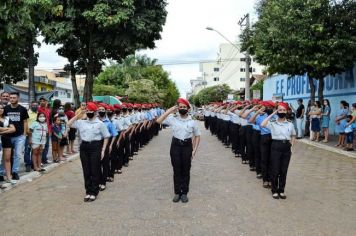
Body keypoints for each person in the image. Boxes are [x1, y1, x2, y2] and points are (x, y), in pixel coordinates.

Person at [156, 98, 201, 203]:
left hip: (187, 146)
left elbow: (197, 136)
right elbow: (158, 121)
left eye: (184, 107)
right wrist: (170, 110)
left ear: (188, 109)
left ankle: (184, 193)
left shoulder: (192, 121)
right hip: (175, 146)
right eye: (180, 107)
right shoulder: (172, 118)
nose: (182, 109)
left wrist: (194, 150)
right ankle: (177, 192)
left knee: (186, 170)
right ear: (177, 108)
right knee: (176, 170)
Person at [68, 102, 110, 202]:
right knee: (86, 170)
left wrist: (103, 150)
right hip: (84, 147)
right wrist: (79, 114)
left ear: (95, 112)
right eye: (88, 111)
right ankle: (88, 191)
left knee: (94, 169)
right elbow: (69, 123)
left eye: (91, 111)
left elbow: (106, 136)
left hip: (95, 146)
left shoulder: (100, 124)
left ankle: (94, 192)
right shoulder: (82, 122)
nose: (89, 112)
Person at [261, 102, 296, 200]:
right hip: (275, 146)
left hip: (286, 147)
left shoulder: (290, 124)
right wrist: (273, 113)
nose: (282, 112)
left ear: (286, 111)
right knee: (275, 170)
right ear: (277, 111)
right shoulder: (272, 123)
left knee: (283, 171)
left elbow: (293, 135)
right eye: (280, 110)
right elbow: (262, 124)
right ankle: (274, 190)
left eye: (284, 110)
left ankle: (281, 190)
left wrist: (291, 145)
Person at [4, 92, 29, 180]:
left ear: (18, 98)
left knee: (18, 155)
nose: (12, 99)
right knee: (7, 155)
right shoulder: (6, 108)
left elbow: (25, 121)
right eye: (10, 98)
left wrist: (25, 133)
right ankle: (5, 172)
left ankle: (15, 172)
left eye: (14, 98)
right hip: (8, 135)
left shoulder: (22, 109)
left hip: (19, 136)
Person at [0, 103, 16, 185]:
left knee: (7, 159)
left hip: (7, 139)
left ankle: (9, 177)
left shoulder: (7, 118)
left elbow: (13, 129)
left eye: (2, 108)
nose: (1, 109)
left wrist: (3, 131)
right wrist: (8, 129)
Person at [24, 101, 39, 172]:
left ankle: (33, 163)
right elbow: (25, 123)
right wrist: (27, 131)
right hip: (28, 134)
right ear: (30, 105)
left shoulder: (39, 114)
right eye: (33, 105)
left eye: (36, 105)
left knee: (35, 150)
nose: (35, 106)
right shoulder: (27, 113)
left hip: (37, 135)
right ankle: (28, 164)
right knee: (27, 150)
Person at [37, 96, 52, 164]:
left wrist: (50, 130)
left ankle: (44, 159)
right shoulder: (38, 110)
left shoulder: (48, 110)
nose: (42, 102)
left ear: (46, 102)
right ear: (39, 102)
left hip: (47, 130)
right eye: (41, 101)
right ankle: (39, 160)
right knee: (40, 146)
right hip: (40, 130)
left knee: (46, 145)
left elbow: (49, 121)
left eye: (44, 101)